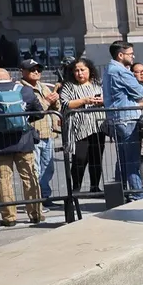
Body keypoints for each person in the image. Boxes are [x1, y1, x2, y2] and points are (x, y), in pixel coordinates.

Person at [0, 68, 46, 226]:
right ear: (10, 77)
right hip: (24, 141)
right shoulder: (26, 91)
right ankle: (36, 214)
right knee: (30, 178)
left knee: (3, 181)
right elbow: (39, 113)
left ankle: (9, 218)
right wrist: (23, 122)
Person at [102, 40, 143, 201]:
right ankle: (137, 195)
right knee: (131, 161)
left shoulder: (109, 69)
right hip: (127, 119)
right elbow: (140, 93)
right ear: (120, 55)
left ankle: (121, 193)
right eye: (130, 54)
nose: (133, 56)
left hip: (116, 119)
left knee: (122, 160)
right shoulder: (121, 71)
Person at [59, 57, 106, 194]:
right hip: (79, 128)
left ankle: (95, 187)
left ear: (89, 70)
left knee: (96, 158)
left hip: (98, 126)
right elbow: (65, 104)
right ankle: (76, 187)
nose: (79, 73)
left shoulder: (97, 84)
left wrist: (102, 101)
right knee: (79, 158)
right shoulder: (68, 86)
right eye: (76, 70)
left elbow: (107, 99)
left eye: (82, 70)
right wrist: (84, 100)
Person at [19, 59, 60, 206]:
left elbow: (56, 108)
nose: (36, 72)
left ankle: (45, 196)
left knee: (48, 168)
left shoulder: (44, 87)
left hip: (48, 133)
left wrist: (55, 100)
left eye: (38, 69)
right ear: (22, 72)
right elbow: (36, 110)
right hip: (32, 134)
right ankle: (37, 200)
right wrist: (48, 101)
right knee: (34, 169)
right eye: (32, 70)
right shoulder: (21, 89)